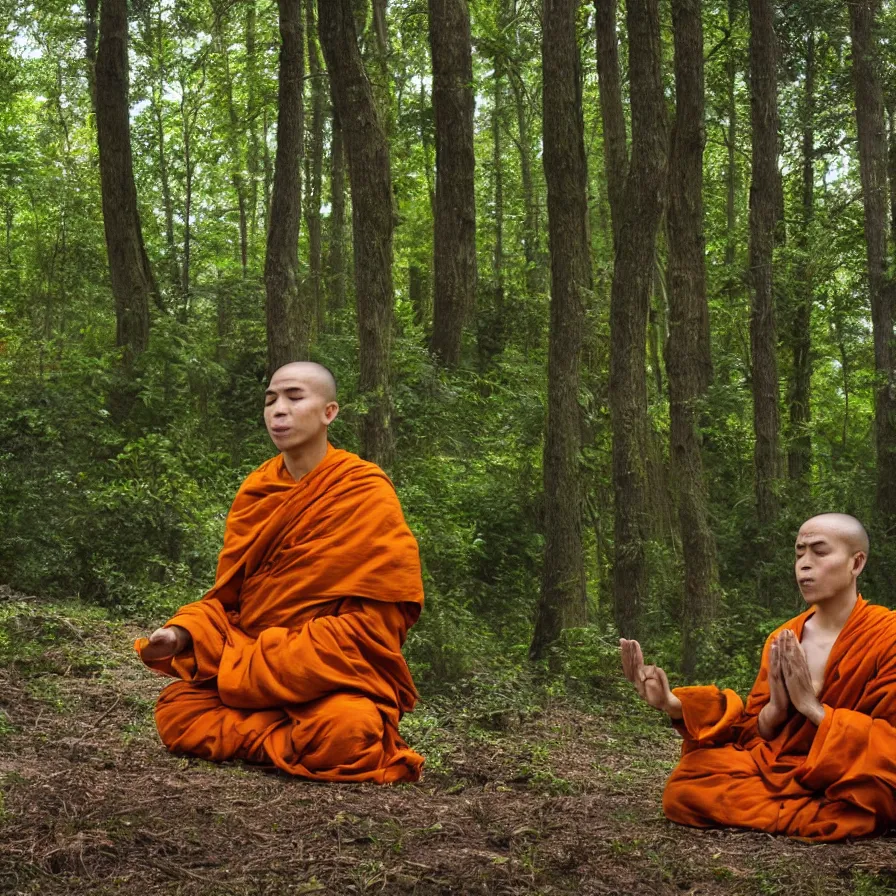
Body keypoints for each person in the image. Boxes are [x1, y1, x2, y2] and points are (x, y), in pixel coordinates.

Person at [135, 361, 425, 783]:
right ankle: (286, 740)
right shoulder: (257, 490)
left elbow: (378, 623)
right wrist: (183, 633)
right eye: (270, 400)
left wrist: (272, 661)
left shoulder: (364, 490)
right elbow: (229, 599)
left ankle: (265, 733)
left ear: (329, 412)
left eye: (294, 397)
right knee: (176, 712)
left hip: (319, 670)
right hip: (249, 660)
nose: (278, 410)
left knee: (349, 729)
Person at [621, 513, 896, 840]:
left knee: (873, 794)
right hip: (780, 768)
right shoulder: (783, 637)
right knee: (686, 784)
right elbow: (753, 730)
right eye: (799, 553)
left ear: (856, 563)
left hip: (846, 773)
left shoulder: (888, 636)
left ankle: (810, 808)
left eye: (819, 552)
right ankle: (812, 812)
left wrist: (812, 708)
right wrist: (775, 709)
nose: (804, 565)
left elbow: (888, 740)